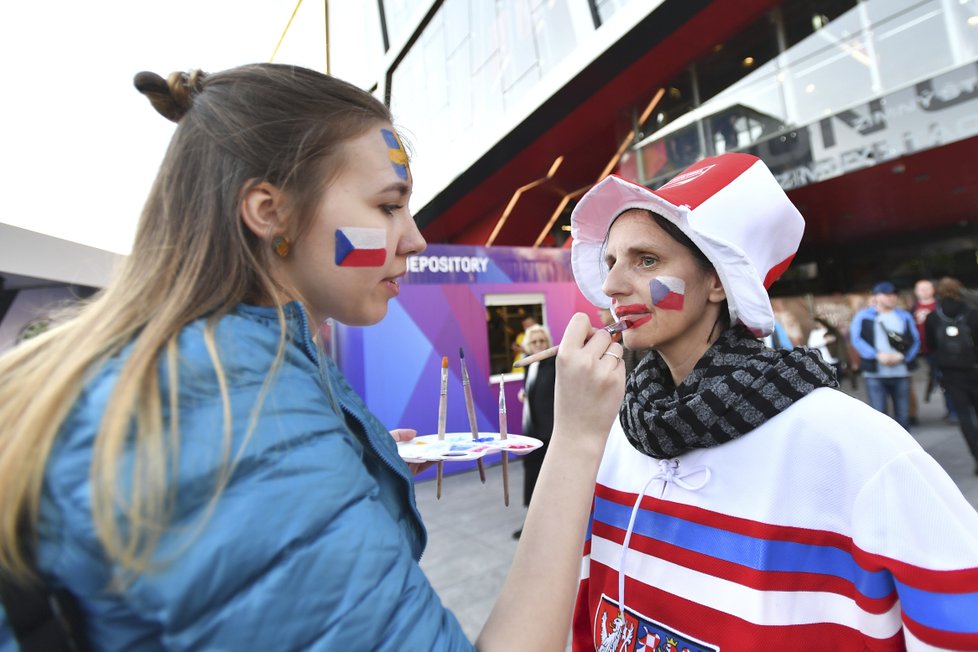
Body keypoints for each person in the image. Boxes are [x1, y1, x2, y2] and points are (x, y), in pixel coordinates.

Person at [0, 64, 626, 651]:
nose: (415, 238)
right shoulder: (241, 417)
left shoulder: (189, 378)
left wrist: (342, 463)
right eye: (387, 205)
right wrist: (573, 440)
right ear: (271, 213)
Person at [567, 153, 978, 649]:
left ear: (718, 279)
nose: (610, 285)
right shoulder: (616, 432)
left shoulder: (854, 446)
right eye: (610, 261)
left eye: (646, 260)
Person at [850, 281, 920, 430]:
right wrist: (876, 355)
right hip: (875, 374)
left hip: (901, 372)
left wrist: (903, 356)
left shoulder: (904, 316)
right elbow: (856, 339)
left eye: (894, 295)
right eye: (887, 295)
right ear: (876, 297)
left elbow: (915, 339)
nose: (891, 298)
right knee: (879, 416)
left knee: (903, 416)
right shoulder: (864, 316)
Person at [925, 277, 978, 474]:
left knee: (964, 416)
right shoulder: (972, 313)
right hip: (974, 369)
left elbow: (930, 346)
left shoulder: (933, 317)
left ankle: (976, 456)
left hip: (950, 373)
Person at [513, 324, 556, 539]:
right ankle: (531, 523)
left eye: (542, 340)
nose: (539, 344)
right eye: (534, 342)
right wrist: (525, 393)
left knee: (549, 480)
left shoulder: (555, 364)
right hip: (531, 432)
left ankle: (548, 526)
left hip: (550, 434)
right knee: (531, 478)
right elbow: (535, 390)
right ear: (527, 346)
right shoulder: (529, 366)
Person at [914, 278, 957, 422]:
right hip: (927, 351)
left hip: (945, 350)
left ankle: (954, 411)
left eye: (927, 288)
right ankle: (952, 410)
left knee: (949, 381)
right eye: (921, 288)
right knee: (941, 382)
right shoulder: (913, 309)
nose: (924, 291)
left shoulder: (941, 306)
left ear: (933, 290)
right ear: (916, 292)